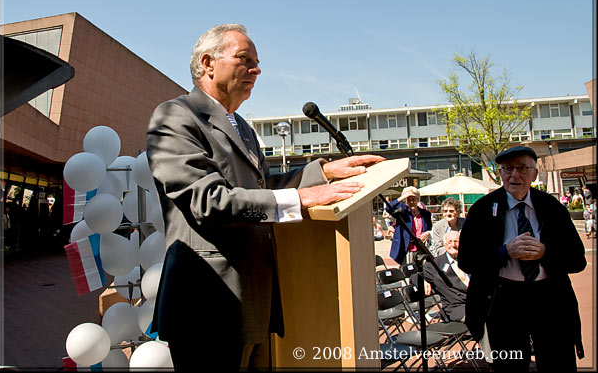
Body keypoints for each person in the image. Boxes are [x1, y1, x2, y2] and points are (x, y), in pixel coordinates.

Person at [145, 24, 384, 370]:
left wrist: (323, 172)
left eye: (257, 62)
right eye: (245, 59)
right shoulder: (175, 117)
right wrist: (302, 199)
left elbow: (262, 187)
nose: (257, 69)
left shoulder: (241, 126)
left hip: (255, 305)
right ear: (208, 63)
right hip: (208, 308)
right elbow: (207, 200)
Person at [458, 146, 586, 371]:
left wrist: (545, 253)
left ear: (535, 174)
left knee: (559, 362)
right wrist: (504, 252)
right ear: (500, 174)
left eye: (522, 168)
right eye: (508, 169)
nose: (514, 175)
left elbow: (577, 260)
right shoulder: (482, 210)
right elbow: (467, 261)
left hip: (550, 297)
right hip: (504, 299)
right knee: (510, 365)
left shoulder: (552, 208)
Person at [422, 230, 468, 322]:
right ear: (445, 245)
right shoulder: (435, 263)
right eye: (449, 242)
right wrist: (424, 280)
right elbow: (414, 277)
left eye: (456, 241)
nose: (453, 245)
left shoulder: (469, 260)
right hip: (456, 307)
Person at [385, 186, 432, 264]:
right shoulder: (402, 211)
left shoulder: (425, 214)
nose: (411, 202)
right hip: (407, 248)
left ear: (418, 199)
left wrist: (428, 233)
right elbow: (388, 208)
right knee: (409, 271)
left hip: (422, 248)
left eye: (414, 199)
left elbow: (430, 228)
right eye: (408, 200)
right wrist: (402, 197)